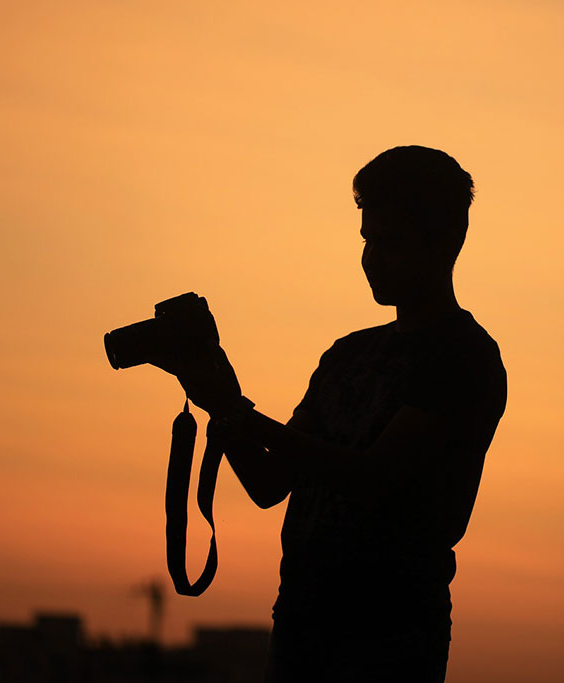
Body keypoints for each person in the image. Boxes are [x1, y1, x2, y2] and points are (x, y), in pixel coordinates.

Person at [164, 146, 507, 682]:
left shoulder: (464, 356)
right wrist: (218, 399)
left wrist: (237, 411)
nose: (371, 258)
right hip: (301, 621)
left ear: (443, 242)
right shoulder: (347, 354)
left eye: (389, 242)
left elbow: (373, 478)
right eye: (367, 240)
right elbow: (269, 483)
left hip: (389, 634)